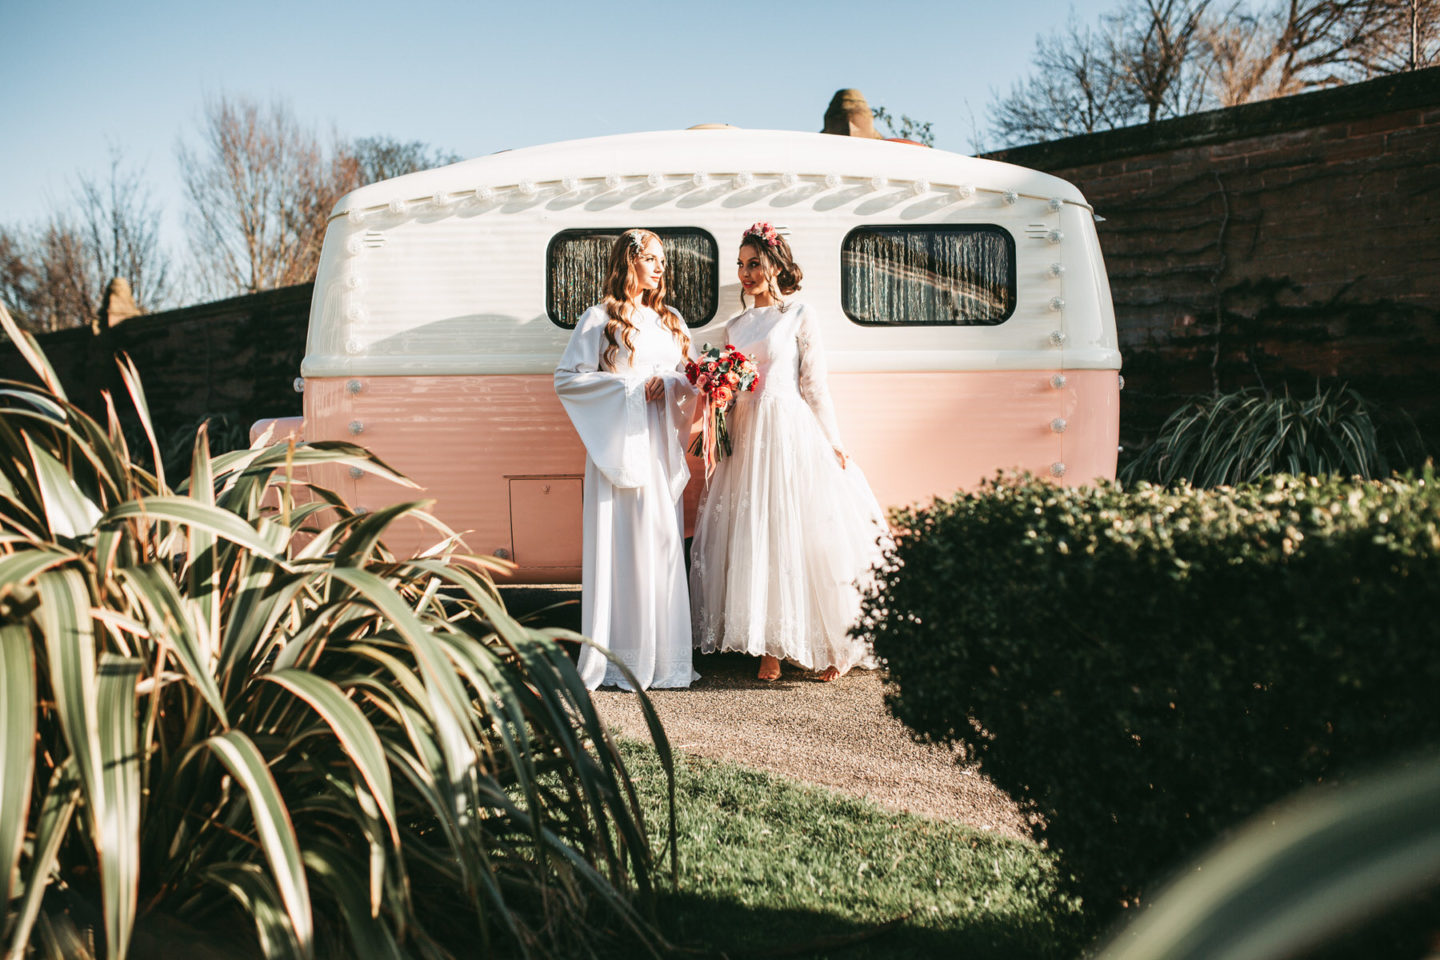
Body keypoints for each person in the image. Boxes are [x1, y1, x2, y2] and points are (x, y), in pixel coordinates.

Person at [690, 222, 889, 681]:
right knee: (754, 530)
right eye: (740, 265)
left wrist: (833, 440)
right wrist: (717, 399)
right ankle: (768, 647)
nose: (745, 273)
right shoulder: (734, 326)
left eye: (754, 263)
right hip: (746, 431)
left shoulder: (799, 315)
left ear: (775, 265)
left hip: (788, 429)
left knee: (799, 530)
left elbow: (814, 384)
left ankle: (833, 644)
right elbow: (732, 388)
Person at [555, 229, 698, 690]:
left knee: (660, 541)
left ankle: (665, 657)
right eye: (652, 259)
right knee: (621, 546)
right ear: (630, 261)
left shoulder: (670, 319)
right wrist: (630, 388)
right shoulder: (599, 318)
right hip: (617, 445)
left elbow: (688, 379)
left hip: (658, 447)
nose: (660, 267)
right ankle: (623, 657)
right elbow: (568, 380)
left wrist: (671, 385)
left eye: (662, 261)